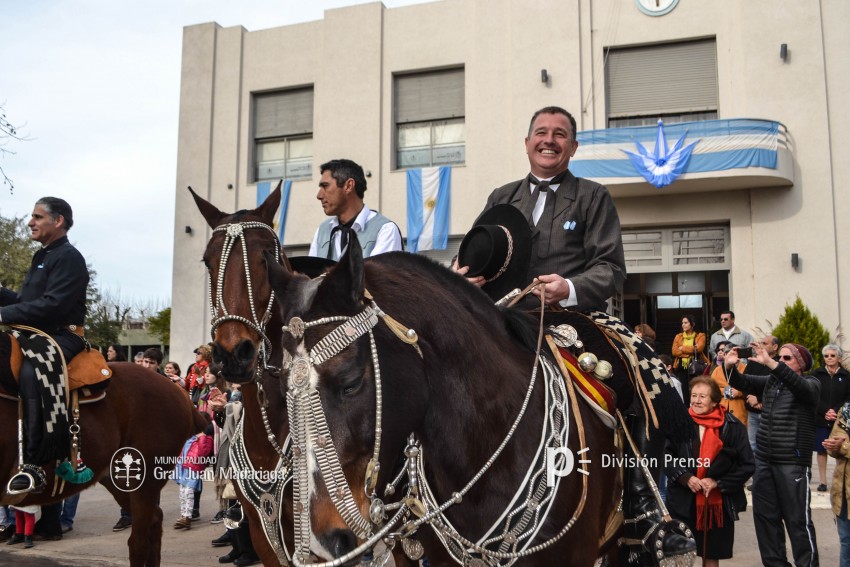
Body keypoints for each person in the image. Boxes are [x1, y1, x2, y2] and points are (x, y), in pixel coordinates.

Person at [454, 106, 692, 565]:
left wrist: (570, 287)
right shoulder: (501, 196)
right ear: (527, 143)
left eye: (560, 134)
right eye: (541, 132)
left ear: (573, 147)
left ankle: (642, 505)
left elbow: (611, 268)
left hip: (571, 317)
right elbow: (476, 256)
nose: (549, 140)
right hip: (501, 317)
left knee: (637, 377)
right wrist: (465, 279)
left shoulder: (592, 196)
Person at [0, 197, 89, 494]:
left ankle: (36, 465)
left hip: (62, 335)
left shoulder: (69, 257)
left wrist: (3, 314)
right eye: (32, 217)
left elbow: (53, 305)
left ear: (58, 220)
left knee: (31, 372)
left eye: (38, 217)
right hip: (35, 334)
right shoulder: (42, 257)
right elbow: (27, 304)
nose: (30, 222)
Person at [726, 342, 820, 567]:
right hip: (765, 461)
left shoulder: (811, 383)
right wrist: (730, 366)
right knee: (766, 521)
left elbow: (802, 388)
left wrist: (770, 363)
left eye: (787, 359)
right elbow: (742, 382)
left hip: (792, 462)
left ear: (801, 364)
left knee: (798, 522)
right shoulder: (772, 382)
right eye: (781, 357)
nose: (780, 361)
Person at [666, 376, 754, 567]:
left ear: (715, 401)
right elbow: (665, 456)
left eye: (703, 397)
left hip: (717, 505)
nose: (696, 400)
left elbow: (747, 465)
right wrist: (685, 477)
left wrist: (717, 483)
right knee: (679, 555)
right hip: (683, 500)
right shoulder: (678, 422)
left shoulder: (732, 427)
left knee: (711, 554)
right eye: (694, 395)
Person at [308, 158, 403, 260]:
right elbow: (311, 274)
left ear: (349, 186)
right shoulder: (322, 231)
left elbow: (379, 276)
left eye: (325, 186)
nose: (319, 195)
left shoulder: (385, 230)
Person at [813, 344, 850, 492]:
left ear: (839, 358)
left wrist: (835, 411)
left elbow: (848, 398)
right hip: (821, 417)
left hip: (839, 419)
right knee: (822, 449)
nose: (829, 358)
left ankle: (839, 481)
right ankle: (823, 481)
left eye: (832, 355)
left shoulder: (846, 376)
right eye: (826, 356)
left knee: (839, 449)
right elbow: (813, 395)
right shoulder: (817, 374)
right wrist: (824, 411)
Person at [823, 401, 850, 567]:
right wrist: (833, 446)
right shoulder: (846, 411)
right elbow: (834, 441)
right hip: (842, 493)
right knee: (846, 542)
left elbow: (843, 444)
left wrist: (844, 446)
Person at [173, 423, 214, 530]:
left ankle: (187, 517)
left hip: (194, 469)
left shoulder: (207, 439)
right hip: (183, 468)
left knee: (188, 492)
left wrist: (202, 437)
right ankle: (183, 516)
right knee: (182, 493)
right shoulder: (189, 438)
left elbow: (204, 452)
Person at [710, 341, 748, 427]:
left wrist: (738, 393)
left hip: (741, 411)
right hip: (722, 411)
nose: (733, 355)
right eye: (728, 353)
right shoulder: (717, 370)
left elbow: (753, 389)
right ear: (724, 355)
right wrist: (727, 391)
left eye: (736, 353)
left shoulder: (746, 369)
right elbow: (711, 388)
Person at [672, 315, 709, 395]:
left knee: (695, 388)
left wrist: (682, 348)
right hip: (681, 366)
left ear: (693, 324)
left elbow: (699, 349)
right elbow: (674, 352)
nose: (683, 325)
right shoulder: (678, 336)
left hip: (695, 366)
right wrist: (690, 352)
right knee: (683, 390)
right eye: (682, 323)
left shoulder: (700, 336)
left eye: (686, 323)